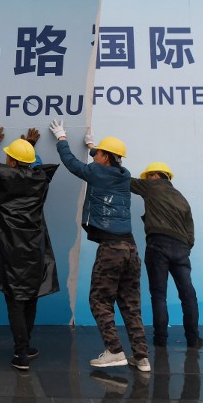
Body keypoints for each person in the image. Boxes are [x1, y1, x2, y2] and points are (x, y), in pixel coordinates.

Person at [49, 119, 150, 373]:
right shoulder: (123, 175)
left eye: (98, 154)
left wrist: (62, 139)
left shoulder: (96, 172)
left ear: (105, 157)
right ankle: (141, 357)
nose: (95, 156)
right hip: (131, 249)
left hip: (111, 249)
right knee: (130, 304)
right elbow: (103, 160)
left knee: (99, 300)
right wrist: (92, 145)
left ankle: (114, 351)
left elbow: (72, 163)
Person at [0, 125, 59, 371]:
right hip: (34, 249)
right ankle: (25, 346)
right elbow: (36, 166)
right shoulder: (40, 180)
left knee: (16, 300)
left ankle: (21, 353)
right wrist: (30, 147)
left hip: (9, 249)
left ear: (10, 160)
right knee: (30, 297)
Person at [130, 162, 201, 348]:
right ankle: (193, 339)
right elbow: (190, 230)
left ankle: (160, 339)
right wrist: (186, 247)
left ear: (156, 175)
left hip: (158, 245)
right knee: (188, 295)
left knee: (159, 295)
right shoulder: (181, 197)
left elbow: (124, 180)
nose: (146, 179)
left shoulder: (152, 186)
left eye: (148, 176)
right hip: (181, 248)